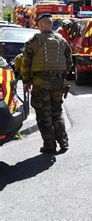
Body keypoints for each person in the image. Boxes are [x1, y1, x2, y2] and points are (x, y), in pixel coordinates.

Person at [21, 13, 73, 153]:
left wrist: (26, 82)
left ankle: (49, 145)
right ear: (50, 24)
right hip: (57, 83)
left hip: (40, 85)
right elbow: (69, 63)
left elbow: (26, 64)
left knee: (44, 116)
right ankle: (63, 142)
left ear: (41, 25)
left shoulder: (33, 41)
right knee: (57, 113)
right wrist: (60, 76)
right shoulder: (62, 40)